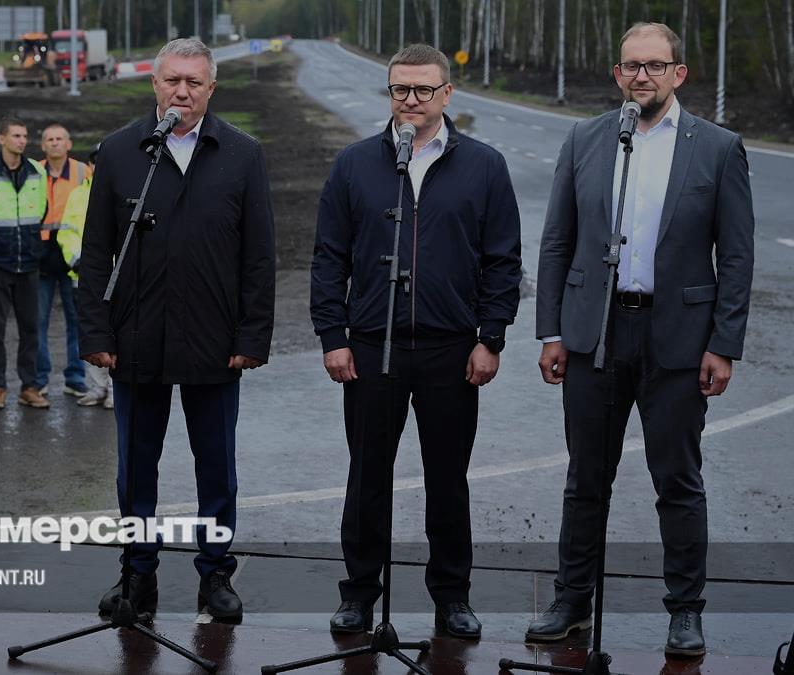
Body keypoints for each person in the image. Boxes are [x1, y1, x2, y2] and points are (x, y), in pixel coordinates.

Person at [529, 22, 754, 657]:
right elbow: (557, 241)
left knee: (677, 480)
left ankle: (685, 611)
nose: (642, 76)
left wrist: (724, 343)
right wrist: (552, 331)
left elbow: (737, 256)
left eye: (655, 65)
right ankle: (572, 603)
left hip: (678, 338)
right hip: (595, 333)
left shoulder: (718, 148)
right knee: (585, 478)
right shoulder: (587, 138)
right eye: (632, 66)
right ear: (617, 74)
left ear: (679, 74)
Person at [311, 43, 523, 639]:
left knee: (447, 479)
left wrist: (491, 337)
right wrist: (333, 335)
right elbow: (328, 258)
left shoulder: (484, 166)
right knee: (367, 477)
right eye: (400, 89)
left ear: (446, 93)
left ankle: (452, 597)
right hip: (371, 346)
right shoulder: (355, 164)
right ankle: (359, 594)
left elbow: (503, 260)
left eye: (423, 89)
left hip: (450, 350)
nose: (411, 99)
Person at [78, 38, 275, 622]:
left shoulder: (242, 153)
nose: (182, 92)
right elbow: (96, 252)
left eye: (194, 82)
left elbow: (259, 256)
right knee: (136, 467)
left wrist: (251, 337)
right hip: (137, 338)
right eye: (172, 81)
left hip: (215, 341)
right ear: (154, 85)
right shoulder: (120, 151)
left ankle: (216, 573)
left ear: (212, 88)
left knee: (216, 466)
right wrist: (97, 333)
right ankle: (138, 573)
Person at [0, 117, 49, 410]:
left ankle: (29, 386)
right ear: (1, 139)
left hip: (28, 262)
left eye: (24, 136)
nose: (22, 141)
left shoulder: (37, 172)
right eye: (16, 135)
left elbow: (40, 211)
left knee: (30, 327)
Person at [34, 122, 89, 398]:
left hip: (73, 256)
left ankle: (75, 377)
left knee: (77, 320)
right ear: (43, 145)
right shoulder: (33, 171)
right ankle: (39, 378)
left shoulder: (82, 171)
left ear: (69, 144)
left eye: (59, 139)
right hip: (41, 255)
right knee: (38, 321)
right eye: (50, 139)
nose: (55, 143)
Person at [57, 143, 113, 410]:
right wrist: (77, 260)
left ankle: (114, 387)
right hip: (84, 274)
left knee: (116, 330)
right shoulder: (78, 195)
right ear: (90, 166)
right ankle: (97, 386)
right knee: (90, 329)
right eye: (95, 161)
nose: (99, 166)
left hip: (117, 275)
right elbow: (67, 231)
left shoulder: (126, 190)